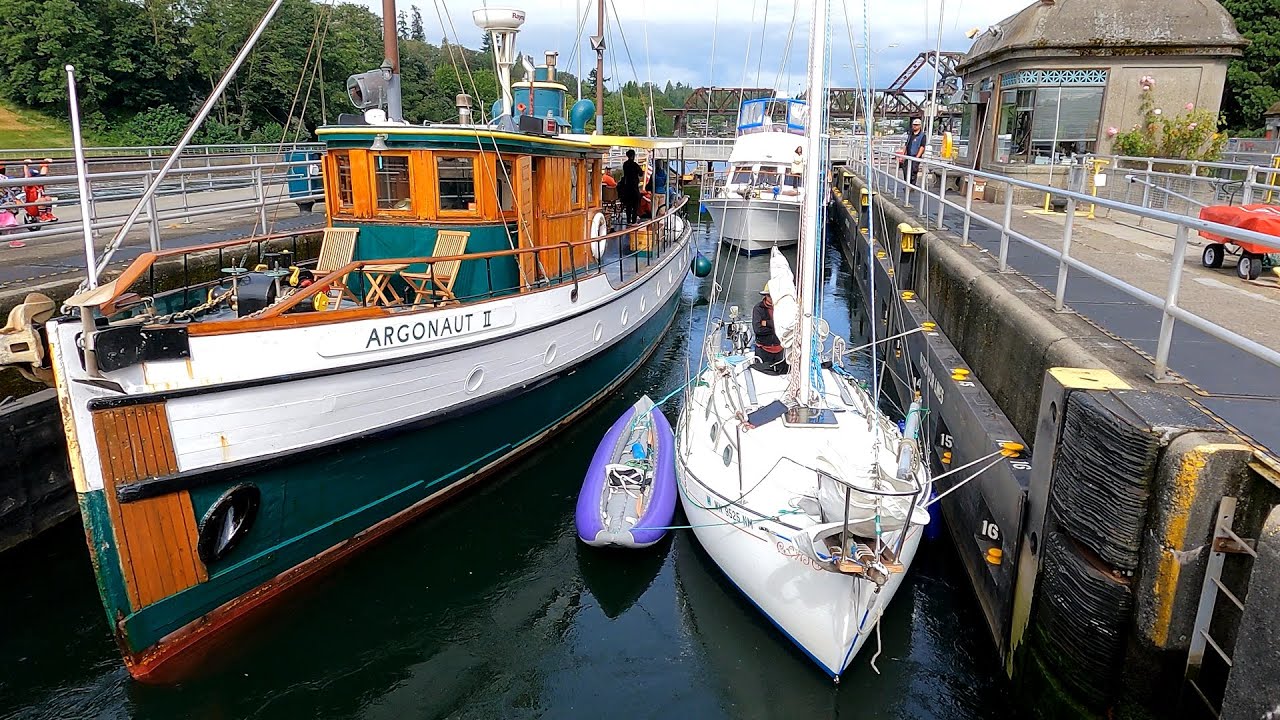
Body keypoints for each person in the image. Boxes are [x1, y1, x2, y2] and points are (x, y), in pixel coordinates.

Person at [753, 282, 788, 375]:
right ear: (765, 296)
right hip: (763, 350)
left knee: (781, 376)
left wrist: (767, 323)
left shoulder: (783, 308)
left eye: (774, 295)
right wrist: (776, 328)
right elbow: (758, 329)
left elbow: (786, 326)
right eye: (769, 296)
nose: (771, 298)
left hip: (780, 349)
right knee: (761, 376)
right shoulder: (758, 309)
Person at [619, 149, 643, 225]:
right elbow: (641, 173)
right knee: (635, 205)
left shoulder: (625, 165)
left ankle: (628, 221)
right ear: (633, 156)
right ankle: (634, 221)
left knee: (628, 205)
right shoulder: (635, 165)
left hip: (627, 187)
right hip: (634, 187)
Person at [902, 118, 927, 186]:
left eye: (916, 125)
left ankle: (912, 185)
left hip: (915, 156)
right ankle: (907, 183)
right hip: (908, 155)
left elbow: (922, 147)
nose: (914, 126)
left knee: (913, 171)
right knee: (905, 169)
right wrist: (903, 155)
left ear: (919, 126)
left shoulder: (922, 136)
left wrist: (917, 157)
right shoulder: (910, 134)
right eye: (914, 125)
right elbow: (906, 145)